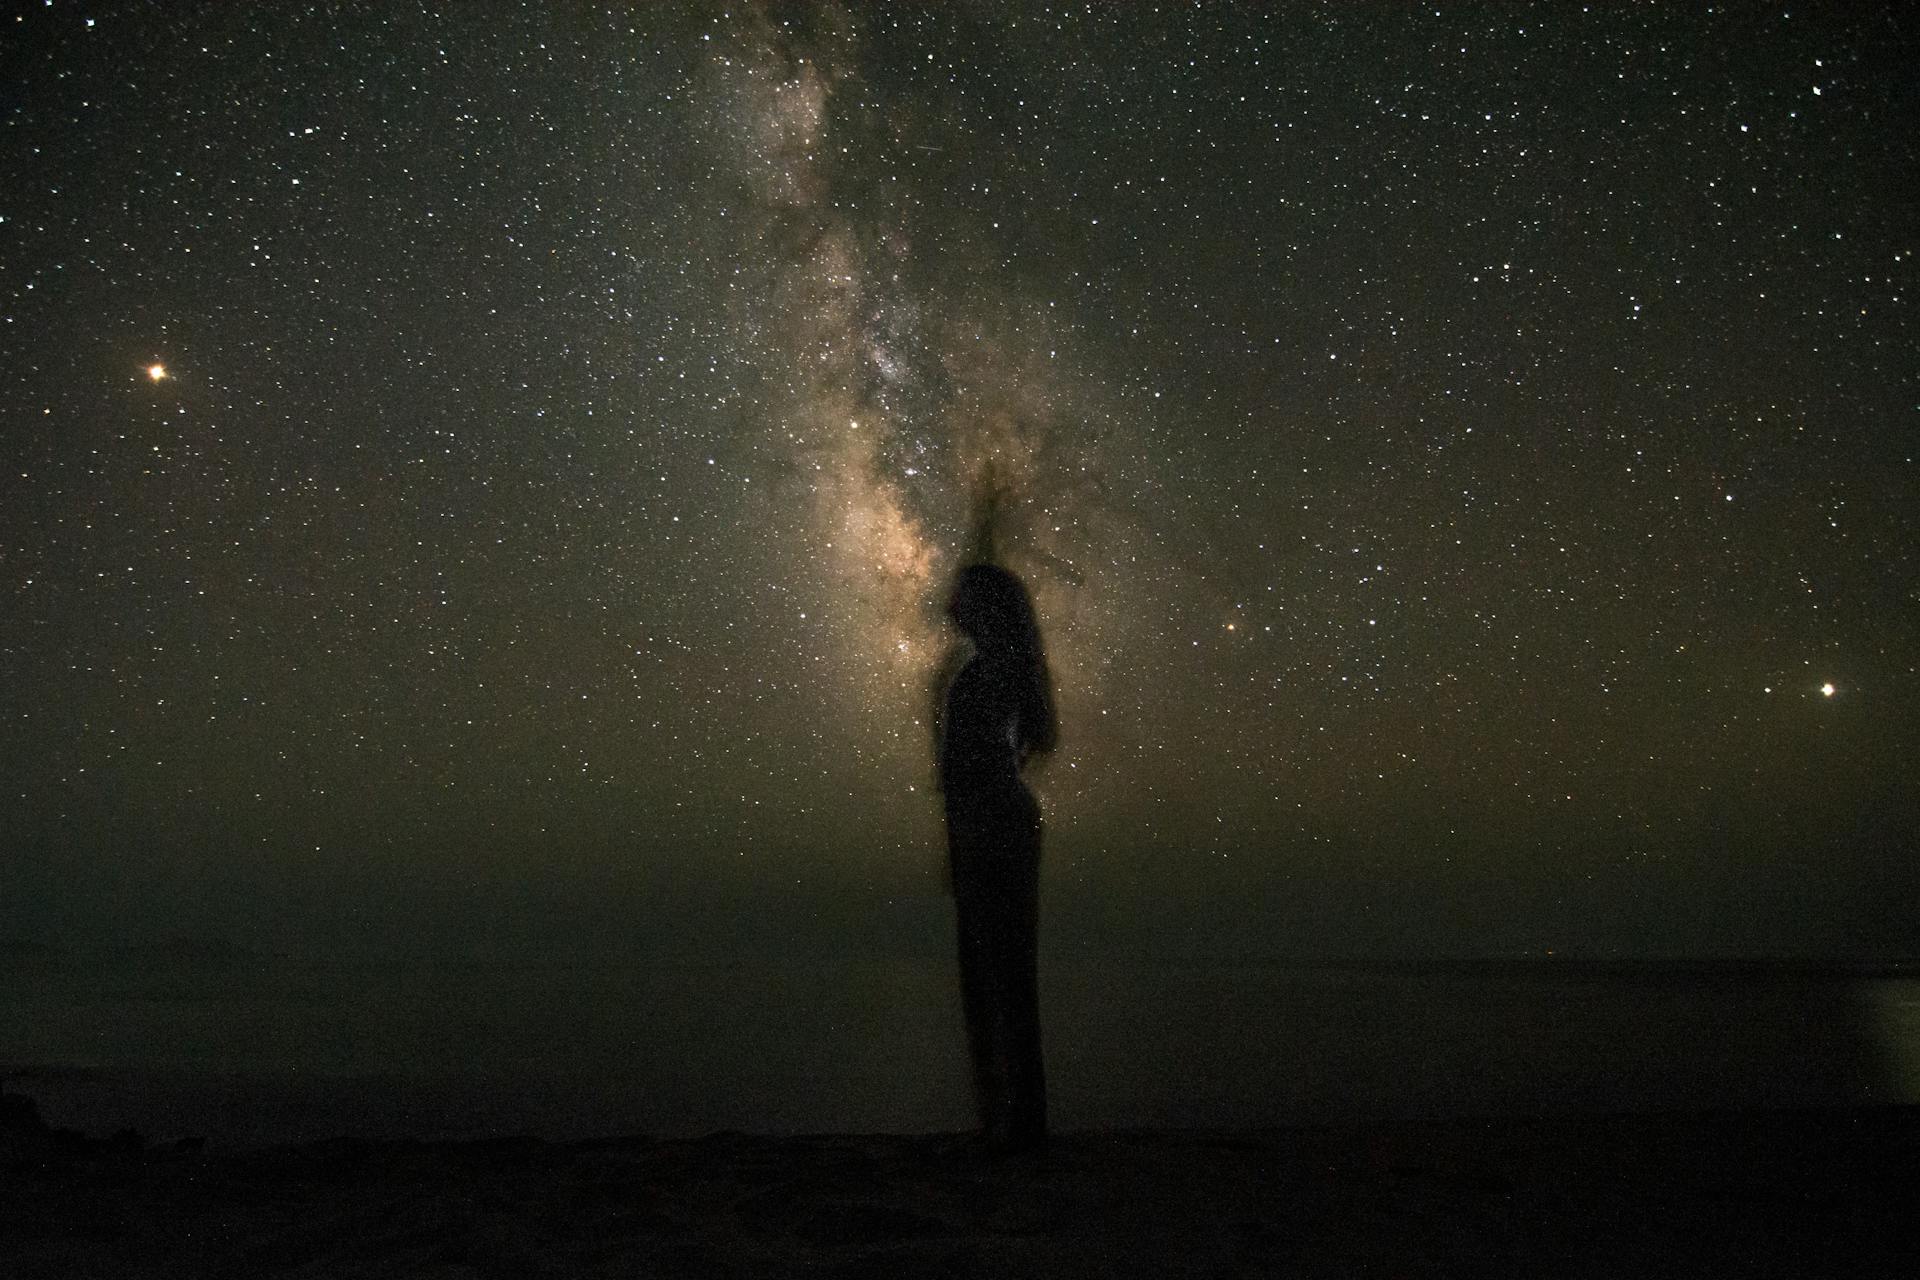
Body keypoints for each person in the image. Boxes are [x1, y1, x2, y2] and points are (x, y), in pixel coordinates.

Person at [937, 561, 1057, 1154]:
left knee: (996, 977)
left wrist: (965, 839)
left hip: (993, 829)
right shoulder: (1005, 672)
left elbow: (971, 770)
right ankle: (1017, 1123)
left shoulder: (987, 676)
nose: (946, 602)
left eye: (961, 596)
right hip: (1001, 825)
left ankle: (1012, 1128)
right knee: (1007, 977)